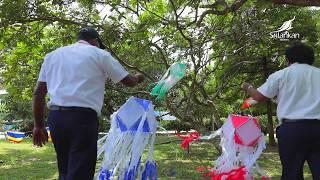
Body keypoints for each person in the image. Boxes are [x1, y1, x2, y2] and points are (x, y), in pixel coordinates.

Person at [32, 27, 144, 180]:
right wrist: (138, 77)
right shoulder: (100, 54)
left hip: (56, 118)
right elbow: (129, 82)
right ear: (95, 41)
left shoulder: (52, 56)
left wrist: (38, 125)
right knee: (80, 170)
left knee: (65, 168)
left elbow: (39, 92)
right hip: (82, 119)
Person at [241, 43, 320, 180]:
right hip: (318, 129)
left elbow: (259, 96)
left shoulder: (282, 74)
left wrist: (248, 87)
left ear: (288, 60)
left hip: (292, 130)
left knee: (291, 173)